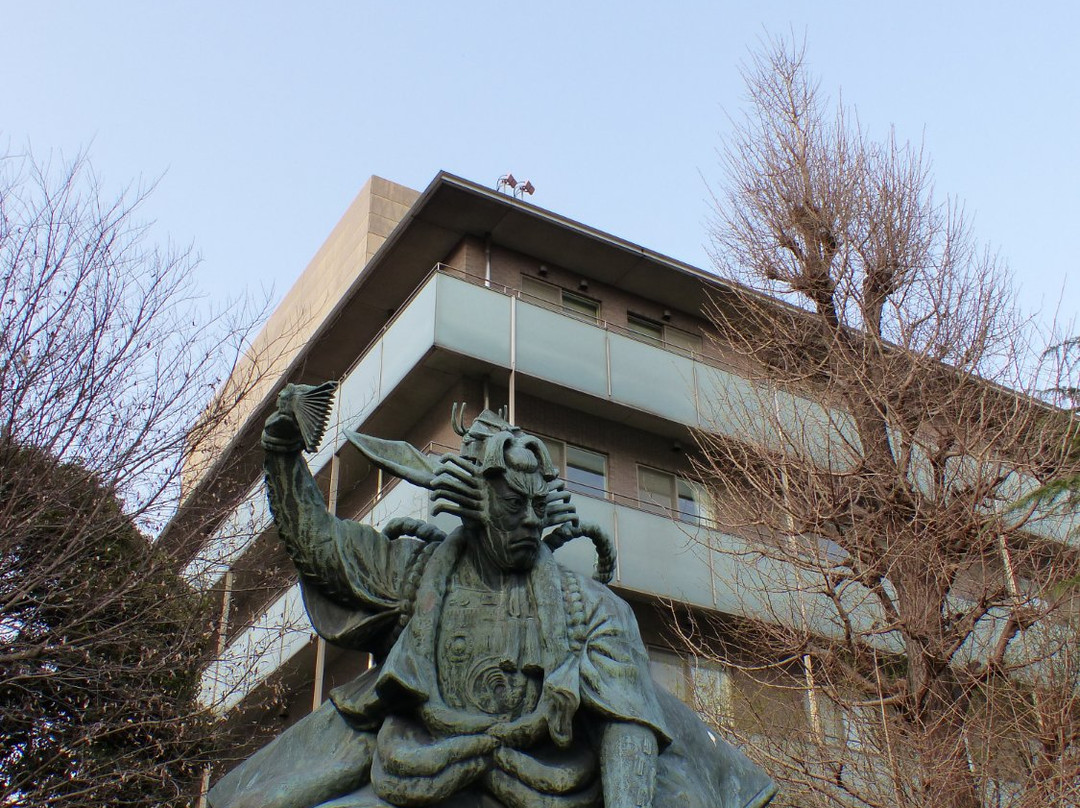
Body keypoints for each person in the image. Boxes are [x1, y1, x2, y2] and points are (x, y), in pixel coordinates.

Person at [208, 386, 776, 808]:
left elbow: (625, 727)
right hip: (414, 768)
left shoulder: (592, 610)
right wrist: (282, 451)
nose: (529, 521)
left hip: (554, 782)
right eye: (512, 506)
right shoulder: (415, 575)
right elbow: (322, 548)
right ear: (476, 502)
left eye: (537, 504)